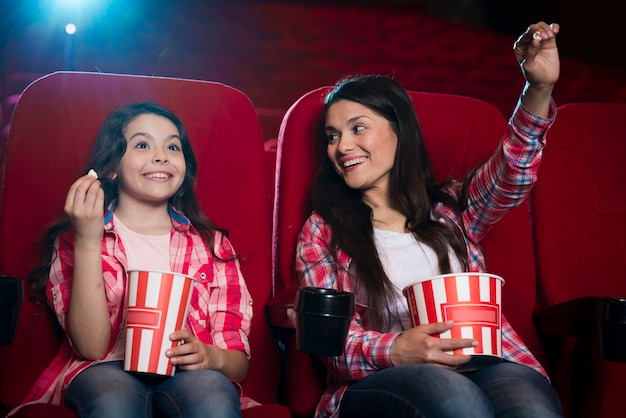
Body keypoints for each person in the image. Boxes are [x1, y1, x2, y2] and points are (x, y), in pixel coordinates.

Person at [295, 22, 564, 418]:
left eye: (358, 129)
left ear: (398, 131)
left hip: (486, 361)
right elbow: (332, 345)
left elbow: (512, 172)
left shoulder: (452, 208)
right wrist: (399, 348)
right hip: (381, 379)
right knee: (455, 400)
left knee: (532, 407)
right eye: (333, 136)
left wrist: (537, 90)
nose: (343, 146)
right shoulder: (323, 231)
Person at [10, 102, 253, 418]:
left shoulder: (212, 245)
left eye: (172, 146)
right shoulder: (76, 238)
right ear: (111, 167)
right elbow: (91, 348)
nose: (160, 155)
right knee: (113, 403)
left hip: (189, 375)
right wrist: (87, 238)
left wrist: (211, 357)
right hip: (105, 369)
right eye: (142, 144)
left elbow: (238, 362)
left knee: (214, 399)